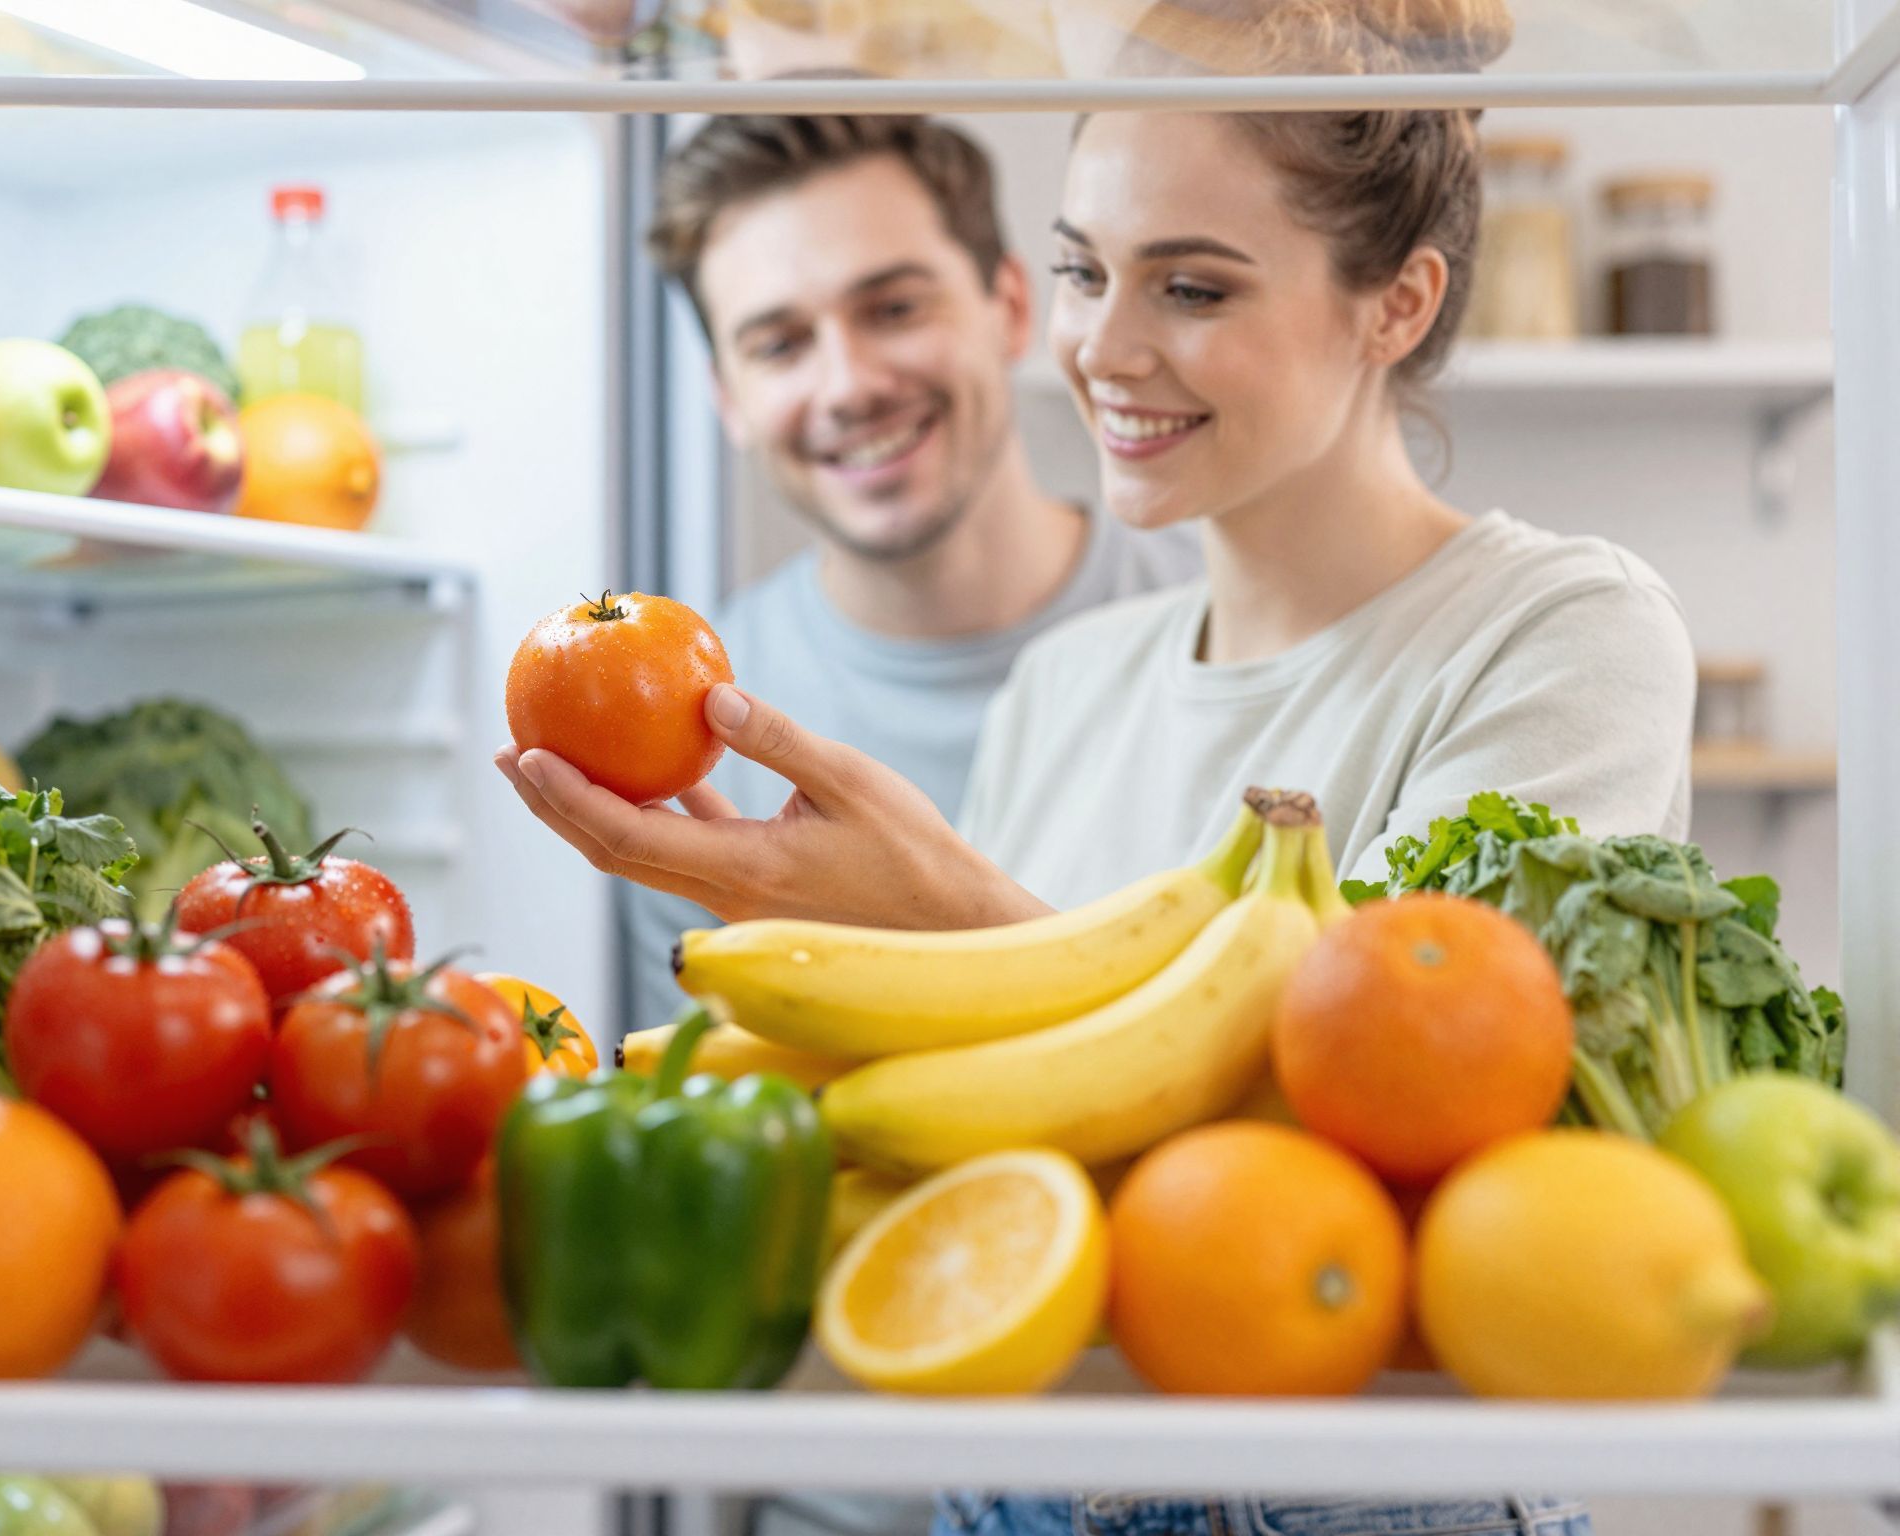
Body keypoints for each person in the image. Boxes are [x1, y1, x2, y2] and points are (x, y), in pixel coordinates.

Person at [499, 6, 1690, 1534]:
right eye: (1081, 269)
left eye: (1190, 286)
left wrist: (943, 913)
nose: (1103, 350)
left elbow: (1383, 1154)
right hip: (1017, 1475)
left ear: (1396, 304)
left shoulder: (1557, 637)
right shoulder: (1070, 682)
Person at [621, 113, 1199, 1030]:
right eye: (779, 344)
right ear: (727, 399)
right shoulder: (682, 729)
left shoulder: (1228, 623)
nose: (848, 384)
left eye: (894, 309)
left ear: (1011, 307)